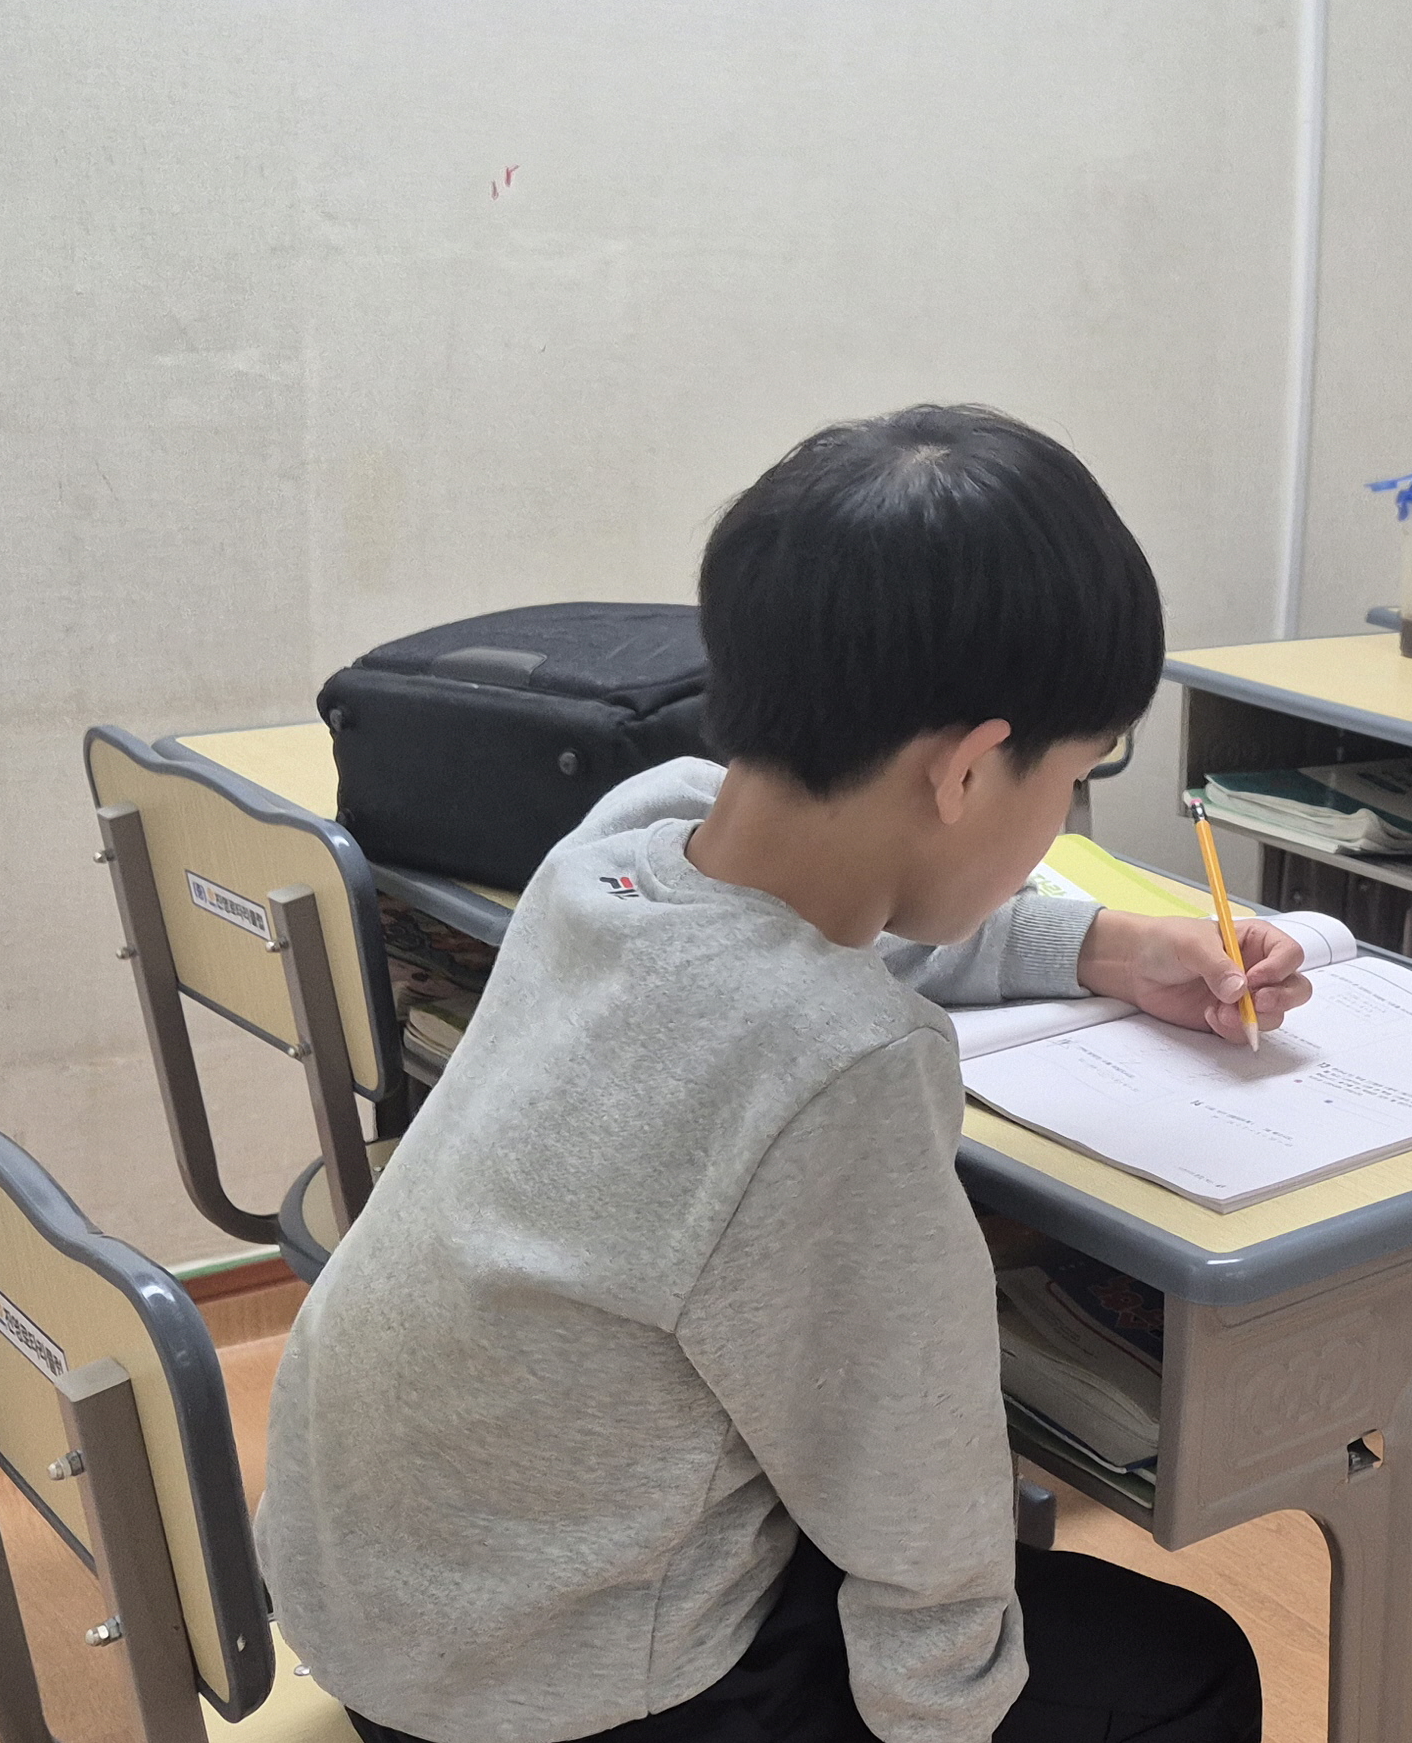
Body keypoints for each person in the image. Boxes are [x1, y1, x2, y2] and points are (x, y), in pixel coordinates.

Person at [266, 404, 1303, 1743]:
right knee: (1191, 1668)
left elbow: (844, 924)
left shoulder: (626, 843)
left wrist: (1104, 943)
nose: (1062, 818)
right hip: (552, 1694)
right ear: (969, 769)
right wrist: (946, 1720)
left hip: (387, 1600)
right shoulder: (842, 1062)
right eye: (1075, 779)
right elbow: (920, 1501)